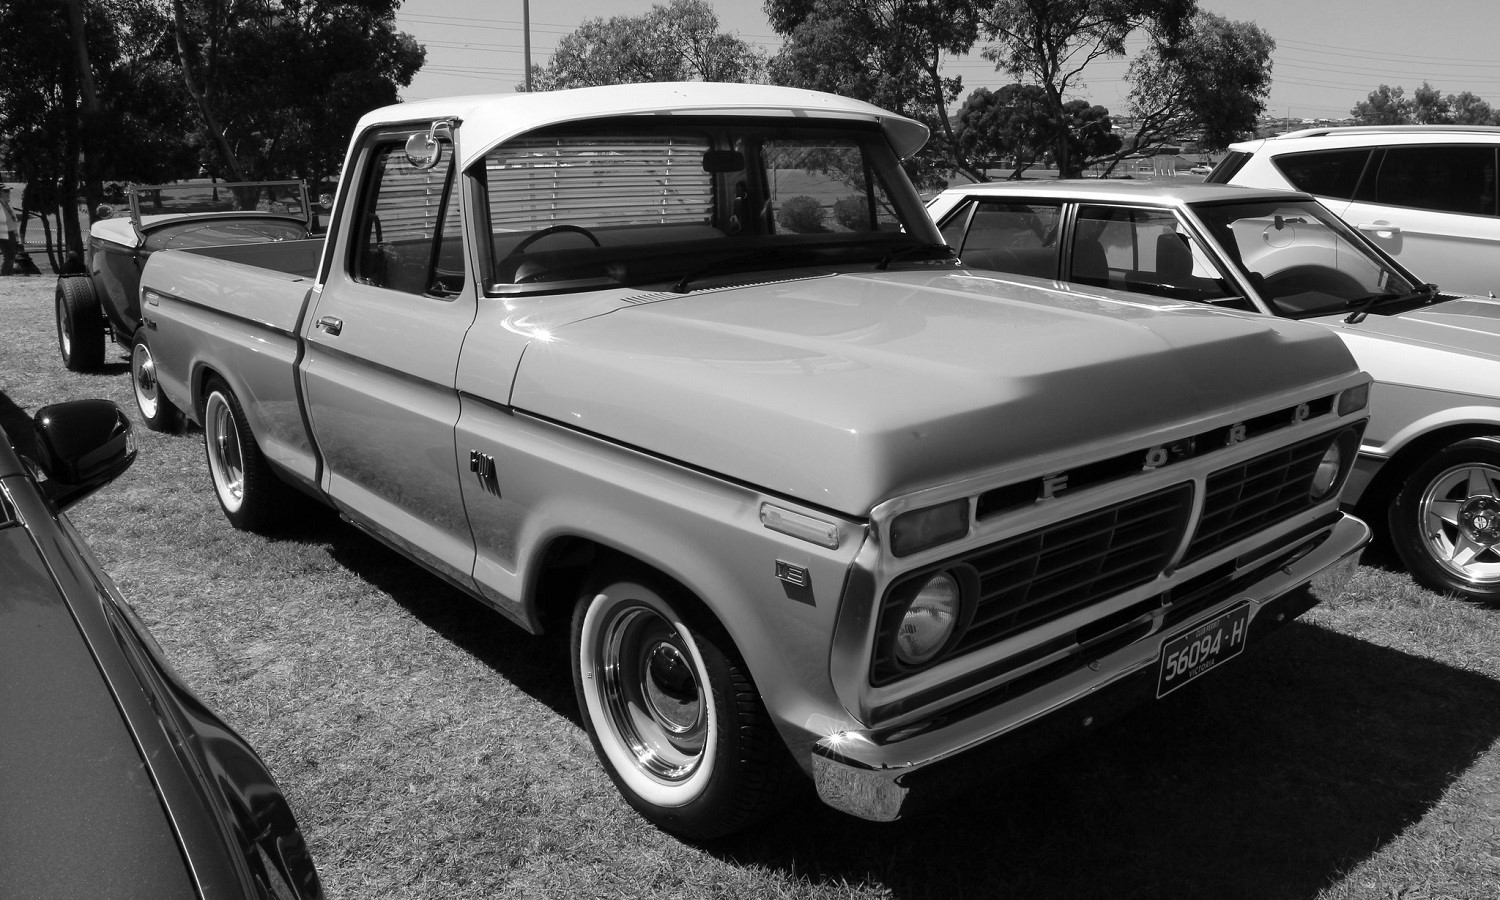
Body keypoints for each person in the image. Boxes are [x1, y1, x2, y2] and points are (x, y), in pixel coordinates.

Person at [0, 184, 18, 276]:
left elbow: (12, 219)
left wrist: (16, 234)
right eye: (5, 191)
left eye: (9, 191)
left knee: (12, 256)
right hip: (2, 234)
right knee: (9, 256)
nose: (8, 193)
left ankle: (8, 276)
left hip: (10, 233)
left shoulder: (7, 204)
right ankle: (3, 277)